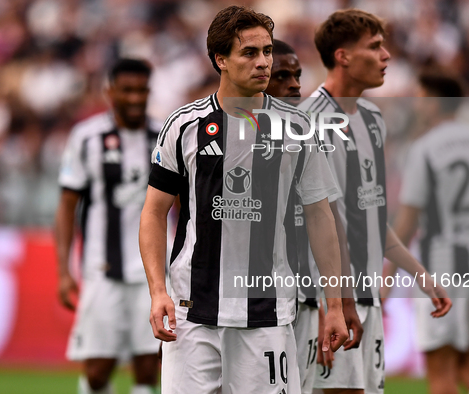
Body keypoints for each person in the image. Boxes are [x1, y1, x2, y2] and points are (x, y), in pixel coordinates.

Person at [139, 6, 349, 394]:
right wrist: (157, 291)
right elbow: (153, 212)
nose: (263, 62)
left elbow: (321, 218)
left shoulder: (298, 129)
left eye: (267, 51)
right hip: (192, 314)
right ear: (221, 59)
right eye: (250, 53)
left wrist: (333, 304)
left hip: (266, 314)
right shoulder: (184, 126)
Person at [297, 9, 452, 394]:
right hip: (328, 302)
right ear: (343, 56)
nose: (386, 56)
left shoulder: (372, 118)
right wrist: (331, 303)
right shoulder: (310, 122)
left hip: (365, 298)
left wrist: (419, 273)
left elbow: (369, 214)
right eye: (375, 47)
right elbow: (318, 222)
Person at [391, 70, 469, 394]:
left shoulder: (426, 148)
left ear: (434, 103)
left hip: (442, 265)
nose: (416, 106)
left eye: (419, 99)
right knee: (464, 363)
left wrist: (388, 272)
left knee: (440, 372)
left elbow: (407, 222)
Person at [54, 58, 160, 394]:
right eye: (126, 90)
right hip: (103, 269)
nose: (134, 98)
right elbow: (67, 207)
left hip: (154, 273)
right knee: (98, 370)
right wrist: (63, 270)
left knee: (149, 366)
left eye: (141, 90)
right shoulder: (87, 138)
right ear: (109, 91)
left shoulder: (164, 137)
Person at [265, 39, 363, 394]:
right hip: (237, 305)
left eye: (297, 74)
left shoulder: (305, 135)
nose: (294, 84)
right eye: (282, 76)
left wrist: (335, 303)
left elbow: (329, 222)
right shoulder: (227, 137)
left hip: (300, 301)